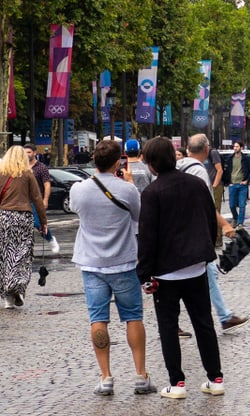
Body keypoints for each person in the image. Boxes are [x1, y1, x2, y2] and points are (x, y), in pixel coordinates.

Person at [138, 137, 224, 398]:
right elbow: (210, 218)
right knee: (203, 323)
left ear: (152, 165)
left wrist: (144, 274)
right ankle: (215, 378)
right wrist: (206, 248)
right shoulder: (197, 183)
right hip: (196, 266)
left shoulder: (152, 193)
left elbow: (147, 236)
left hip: (165, 271)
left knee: (168, 327)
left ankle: (177, 383)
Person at [71, 139, 156, 395]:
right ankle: (141, 375)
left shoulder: (79, 190)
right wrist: (128, 183)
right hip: (124, 261)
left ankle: (106, 377)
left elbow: (77, 210)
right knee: (133, 317)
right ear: (119, 161)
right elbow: (139, 217)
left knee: (98, 320)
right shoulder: (127, 190)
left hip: (91, 262)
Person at [180, 135, 249, 334]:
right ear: (206, 149)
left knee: (208, 273)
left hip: (180, 230)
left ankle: (224, 315)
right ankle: (222, 317)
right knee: (202, 274)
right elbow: (208, 205)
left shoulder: (179, 165)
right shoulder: (199, 172)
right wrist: (226, 226)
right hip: (195, 231)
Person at [0, 146, 47, 308]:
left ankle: (7, 297)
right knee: (22, 254)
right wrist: (43, 222)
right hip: (23, 218)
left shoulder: (0, 173)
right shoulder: (27, 174)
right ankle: (18, 287)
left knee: (4, 256)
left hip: (4, 217)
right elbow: (37, 199)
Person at [24, 142, 59, 254]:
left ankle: (51, 239)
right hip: (22, 200)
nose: (27, 155)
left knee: (38, 223)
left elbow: (47, 184)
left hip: (36, 200)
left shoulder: (41, 168)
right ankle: (27, 249)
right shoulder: (21, 167)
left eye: (29, 152)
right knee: (24, 225)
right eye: (24, 153)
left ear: (34, 153)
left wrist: (45, 199)